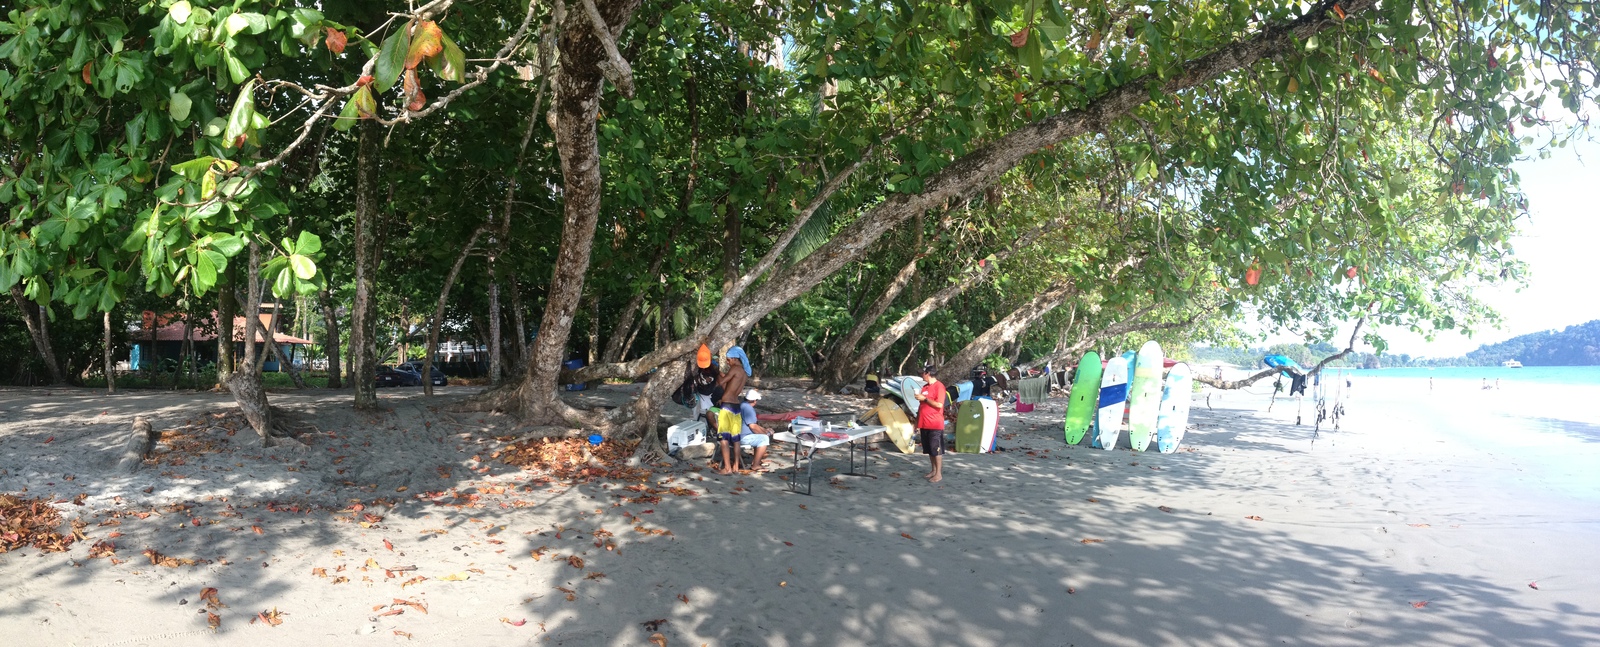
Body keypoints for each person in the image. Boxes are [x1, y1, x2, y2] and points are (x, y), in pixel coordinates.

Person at [913, 363, 947, 483]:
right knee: (929, 449)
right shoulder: (924, 387)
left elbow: (939, 404)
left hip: (935, 423)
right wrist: (916, 423)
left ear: (928, 374)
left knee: (936, 449)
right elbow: (920, 407)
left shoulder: (939, 387)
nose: (922, 375)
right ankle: (933, 470)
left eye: (923, 373)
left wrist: (925, 399)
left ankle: (938, 473)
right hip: (924, 422)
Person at [738, 389, 772, 472]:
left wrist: (765, 430)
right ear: (754, 400)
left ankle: (756, 460)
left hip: (737, 434)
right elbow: (753, 426)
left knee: (761, 436)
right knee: (764, 439)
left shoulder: (742, 405)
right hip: (742, 437)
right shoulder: (748, 409)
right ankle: (755, 465)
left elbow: (754, 425)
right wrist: (766, 433)